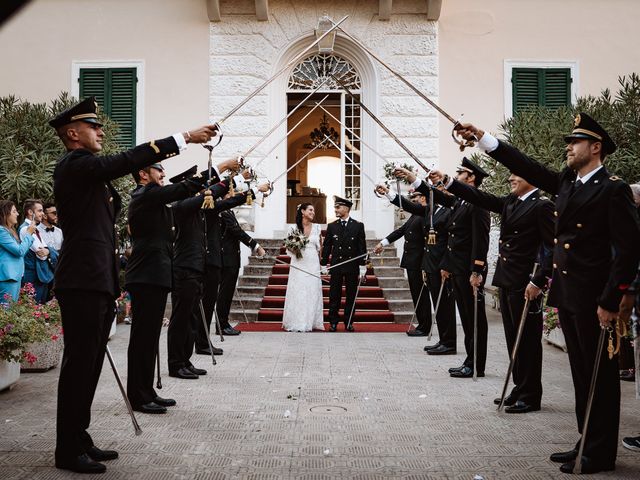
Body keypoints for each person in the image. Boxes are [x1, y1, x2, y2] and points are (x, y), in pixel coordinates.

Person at [456, 113, 640, 474]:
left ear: (596, 147)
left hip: (594, 299)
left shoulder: (612, 189)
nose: (568, 147)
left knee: (599, 377)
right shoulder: (570, 183)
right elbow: (528, 166)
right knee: (581, 374)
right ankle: (585, 439)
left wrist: (611, 300)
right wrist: (483, 139)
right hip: (570, 295)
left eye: (575, 142)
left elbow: (629, 249)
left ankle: (599, 453)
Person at [50, 96, 219, 474]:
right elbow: (125, 161)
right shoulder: (75, 164)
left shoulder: (89, 172)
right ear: (73, 134)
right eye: (94, 127)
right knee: (79, 366)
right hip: (81, 279)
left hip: (96, 280)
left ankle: (79, 436)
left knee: (91, 365)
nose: (101, 131)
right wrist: (183, 138)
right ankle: (67, 448)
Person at [431, 168, 554, 412]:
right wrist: (448, 182)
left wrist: (539, 280)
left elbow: (552, 248)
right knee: (513, 340)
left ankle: (531, 394)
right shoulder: (511, 202)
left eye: (516, 175)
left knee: (527, 340)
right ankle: (519, 386)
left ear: (531, 179)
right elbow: (481, 198)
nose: (510, 178)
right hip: (507, 279)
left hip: (526, 282)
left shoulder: (542, 206)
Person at [125, 162, 227, 414]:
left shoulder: (155, 200)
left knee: (149, 339)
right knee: (142, 339)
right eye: (158, 170)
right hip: (145, 275)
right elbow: (186, 189)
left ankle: (147, 391)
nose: (163, 175)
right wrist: (221, 167)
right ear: (142, 173)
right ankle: (138, 395)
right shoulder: (144, 194)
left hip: (157, 274)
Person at [396, 158, 491, 378]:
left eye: (461, 173)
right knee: (467, 319)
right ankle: (470, 359)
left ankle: (476, 363)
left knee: (474, 320)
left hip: (469, 272)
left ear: (471, 177)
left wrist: (477, 270)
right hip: (457, 269)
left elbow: (480, 241)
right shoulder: (460, 202)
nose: (457, 176)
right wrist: (414, 179)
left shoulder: (478, 204)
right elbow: (436, 197)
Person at [376, 183, 457, 353]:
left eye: (440, 191)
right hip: (429, 264)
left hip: (437, 264)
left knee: (443, 304)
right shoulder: (430, 211)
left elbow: (451, 241)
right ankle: (444, 340)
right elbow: (405, 217)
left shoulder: (449, 210)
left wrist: (444, 264)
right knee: (437, 303)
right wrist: (389, 194)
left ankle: (447, 341)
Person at [374, 191, 430, 336]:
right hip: (412, 261)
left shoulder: (425, 213)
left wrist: (425, 263)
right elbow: (401, 231)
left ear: (423, 198)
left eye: (414, 198)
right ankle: (422, 324)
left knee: (421, 295)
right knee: (416, 294)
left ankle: (425, 326)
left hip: (419, 262)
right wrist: (383, 243)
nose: (412, 201)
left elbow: (427, 243)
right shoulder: (415, 215)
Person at [216, 198, 266, 333]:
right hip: (227, 258)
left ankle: (223, 323)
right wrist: (255, 245)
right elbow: (236, 230)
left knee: (227, 294)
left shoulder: (228, 211)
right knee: (224, 294)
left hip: (231, 258)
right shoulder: (223, 211)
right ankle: (222, 325)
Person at [320, 196, 367, 332]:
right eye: (335, 207)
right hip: (337, 265)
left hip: (352, 265)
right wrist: (324, 264)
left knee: (351, 296)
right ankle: (333, 322)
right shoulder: (332, 226)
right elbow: (327, 246)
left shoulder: (358, 225)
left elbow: (361, 248)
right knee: (334, 295)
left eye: (338, 207)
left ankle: (348, 322)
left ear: (346, 209)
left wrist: (362, 265)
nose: (335, 210)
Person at [282, 203, 325, 332]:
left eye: (314, 210)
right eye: (310, 210)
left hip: (312, 262)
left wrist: (322, 265)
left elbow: (320, 248)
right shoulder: (293, 228)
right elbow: (288, 247)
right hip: (298, 262)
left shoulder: (317, 228)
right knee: (298, 290)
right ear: (302, 211)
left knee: (312, 290)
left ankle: (312, 321)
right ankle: (298, 321)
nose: (313, 212)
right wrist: (295, 246)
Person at [19, 199, 55, 304]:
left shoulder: (35, 228)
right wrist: (48, 251)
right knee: (33, 309)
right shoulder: (25, 229)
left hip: (41, 276)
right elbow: (42, 255)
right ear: (30, 212)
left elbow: (46, 250)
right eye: (39, 211)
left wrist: (48, 250)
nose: (42, 214)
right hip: (33, 276)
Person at [0, 200, 35, 302]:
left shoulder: (9, 231)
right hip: (7, 277)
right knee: (7, 311)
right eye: (14, 211)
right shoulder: (1, 231)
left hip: (13, 276)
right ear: (5, 213)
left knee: (11, 311)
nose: (17, 214)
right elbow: (19, 251)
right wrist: (29, 233)